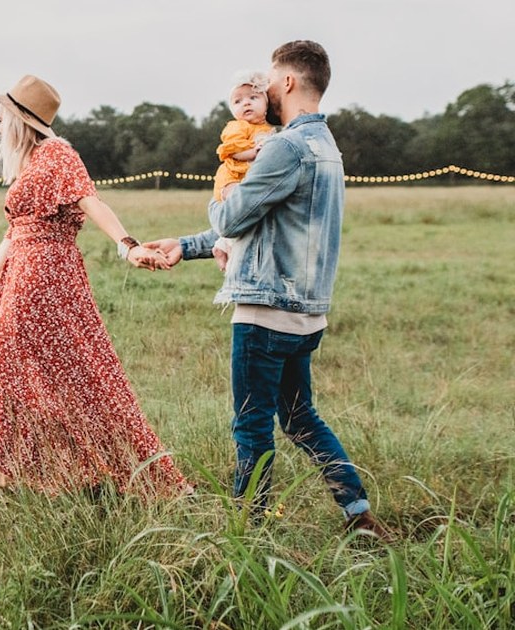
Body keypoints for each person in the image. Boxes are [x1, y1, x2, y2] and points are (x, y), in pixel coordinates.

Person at [145, 41, 390, 538]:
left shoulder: (285, 147)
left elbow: (232, 218)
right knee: (300, 419)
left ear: (290, 82)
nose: (265, 90)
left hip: (266, 312)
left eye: (271, 81)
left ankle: (248, 530)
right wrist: (186, 246)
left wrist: (223, 189)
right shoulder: (326, 147)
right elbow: (263, 224)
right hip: (307, 313)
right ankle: (358, 513)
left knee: (251, 424)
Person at [0, 74, 190, 496]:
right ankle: (31, 475)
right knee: (25, 374)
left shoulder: (57, 153)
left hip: (45, 277)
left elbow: (91, 201)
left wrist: (127, 246)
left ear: (20, 119)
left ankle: (94, 471)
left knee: (77, 374)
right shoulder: (30, 163)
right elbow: (11, 237)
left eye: (2, 113)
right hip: (22, 276)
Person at [211, 70, 275, 273]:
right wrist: (253, 152)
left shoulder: (269, 129)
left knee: (248, 212)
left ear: (266, 104)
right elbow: (232, 150)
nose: (246, 103)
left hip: (246, 178)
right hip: (232, 177)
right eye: (238, 101)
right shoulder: (237, 126)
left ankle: (222, 245)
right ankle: (229, 251)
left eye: (253, 98)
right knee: (239, 207)